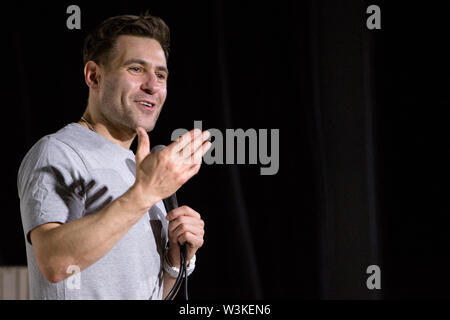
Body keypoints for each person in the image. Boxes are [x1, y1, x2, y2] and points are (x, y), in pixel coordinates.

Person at [17, 12, 211, 300]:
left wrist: (174, 259)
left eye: (160, 74)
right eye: (136, 69)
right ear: (94, 76)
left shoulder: (141, 170)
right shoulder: (59, 151)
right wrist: (143, 193)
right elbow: (55, 263)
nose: (152, 85)